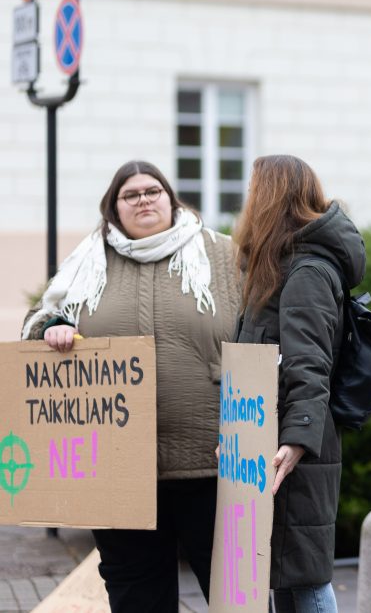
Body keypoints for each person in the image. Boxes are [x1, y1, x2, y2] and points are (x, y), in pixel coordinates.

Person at [22, 160, 242, 612]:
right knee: (135, 596)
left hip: (214, 461)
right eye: (131, 194)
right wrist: (52, 327)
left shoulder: (222, 254)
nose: (144, 200)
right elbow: (38, 318)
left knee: (235, 596)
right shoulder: (87, 261)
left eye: (153, 191)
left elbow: (264, 327)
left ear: (171, 198)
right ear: (114, 209)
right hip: (118, 470)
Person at [234, 155, 366, 613]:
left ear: (270, 198)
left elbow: (309, 365)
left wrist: (295, 442)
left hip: (293, 450)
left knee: (305, 580)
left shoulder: (306, 271)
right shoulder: (282, 265)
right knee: (286, 579)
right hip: (273, 440)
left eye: (253, 191)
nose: (246, 201)